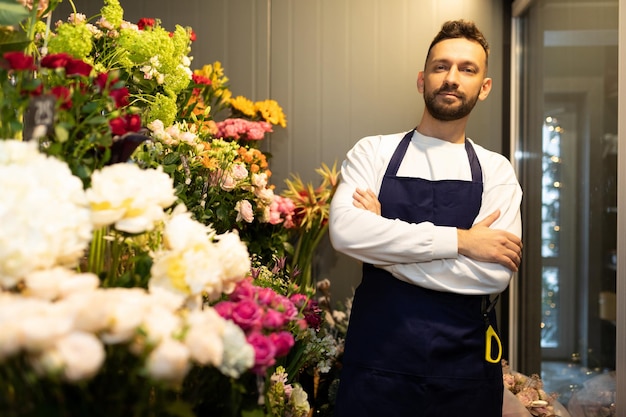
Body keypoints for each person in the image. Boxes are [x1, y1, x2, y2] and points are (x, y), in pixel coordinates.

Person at [328, 19, 523, 417]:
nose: (452, 78)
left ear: (484, 87)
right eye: (441, 67)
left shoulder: (496, 170)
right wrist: (463, 241)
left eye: (467, 69)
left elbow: (492, 274)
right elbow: (346, 232)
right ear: (422, 80)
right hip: (377, 369)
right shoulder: (373, 152)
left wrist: (383, 249)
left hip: (465, 375)